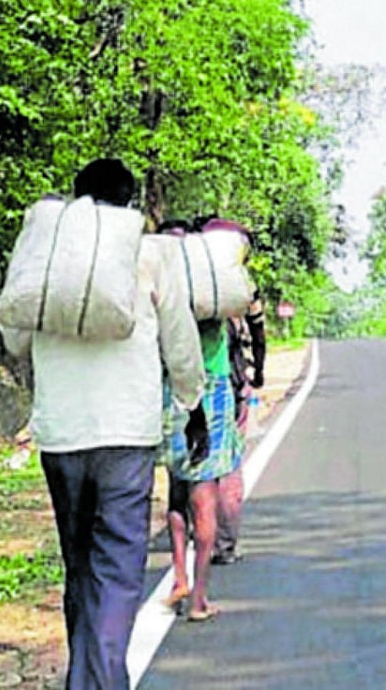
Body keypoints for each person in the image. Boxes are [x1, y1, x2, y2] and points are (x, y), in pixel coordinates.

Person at [0, 159, 206, 690]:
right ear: (131, 205)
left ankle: (83, 679)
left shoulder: (50, 258)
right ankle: (106, 680)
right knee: (116, 573)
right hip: (127, 439)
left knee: (81, 568)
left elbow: (15, 339)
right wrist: (193, 404)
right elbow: (180, 339)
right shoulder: (153, 253)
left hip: (62, 435)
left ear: (77, 201)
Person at [156, 219, 243, 621]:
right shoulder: (210, 289)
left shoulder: (166, 288)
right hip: (213, 389)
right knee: (204, 493)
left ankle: (178, 576)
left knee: (176, 489)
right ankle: (200, 598)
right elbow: (244, 309)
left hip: (172, 385)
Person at [213, 226, 265, 565]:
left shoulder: (185, 282)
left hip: (185, 387)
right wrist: (258, 371)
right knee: (230, 464)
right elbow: (258, 332)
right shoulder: (241, 287)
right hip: (231, 385)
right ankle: (224, 544)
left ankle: (191, 533)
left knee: (186, 469)